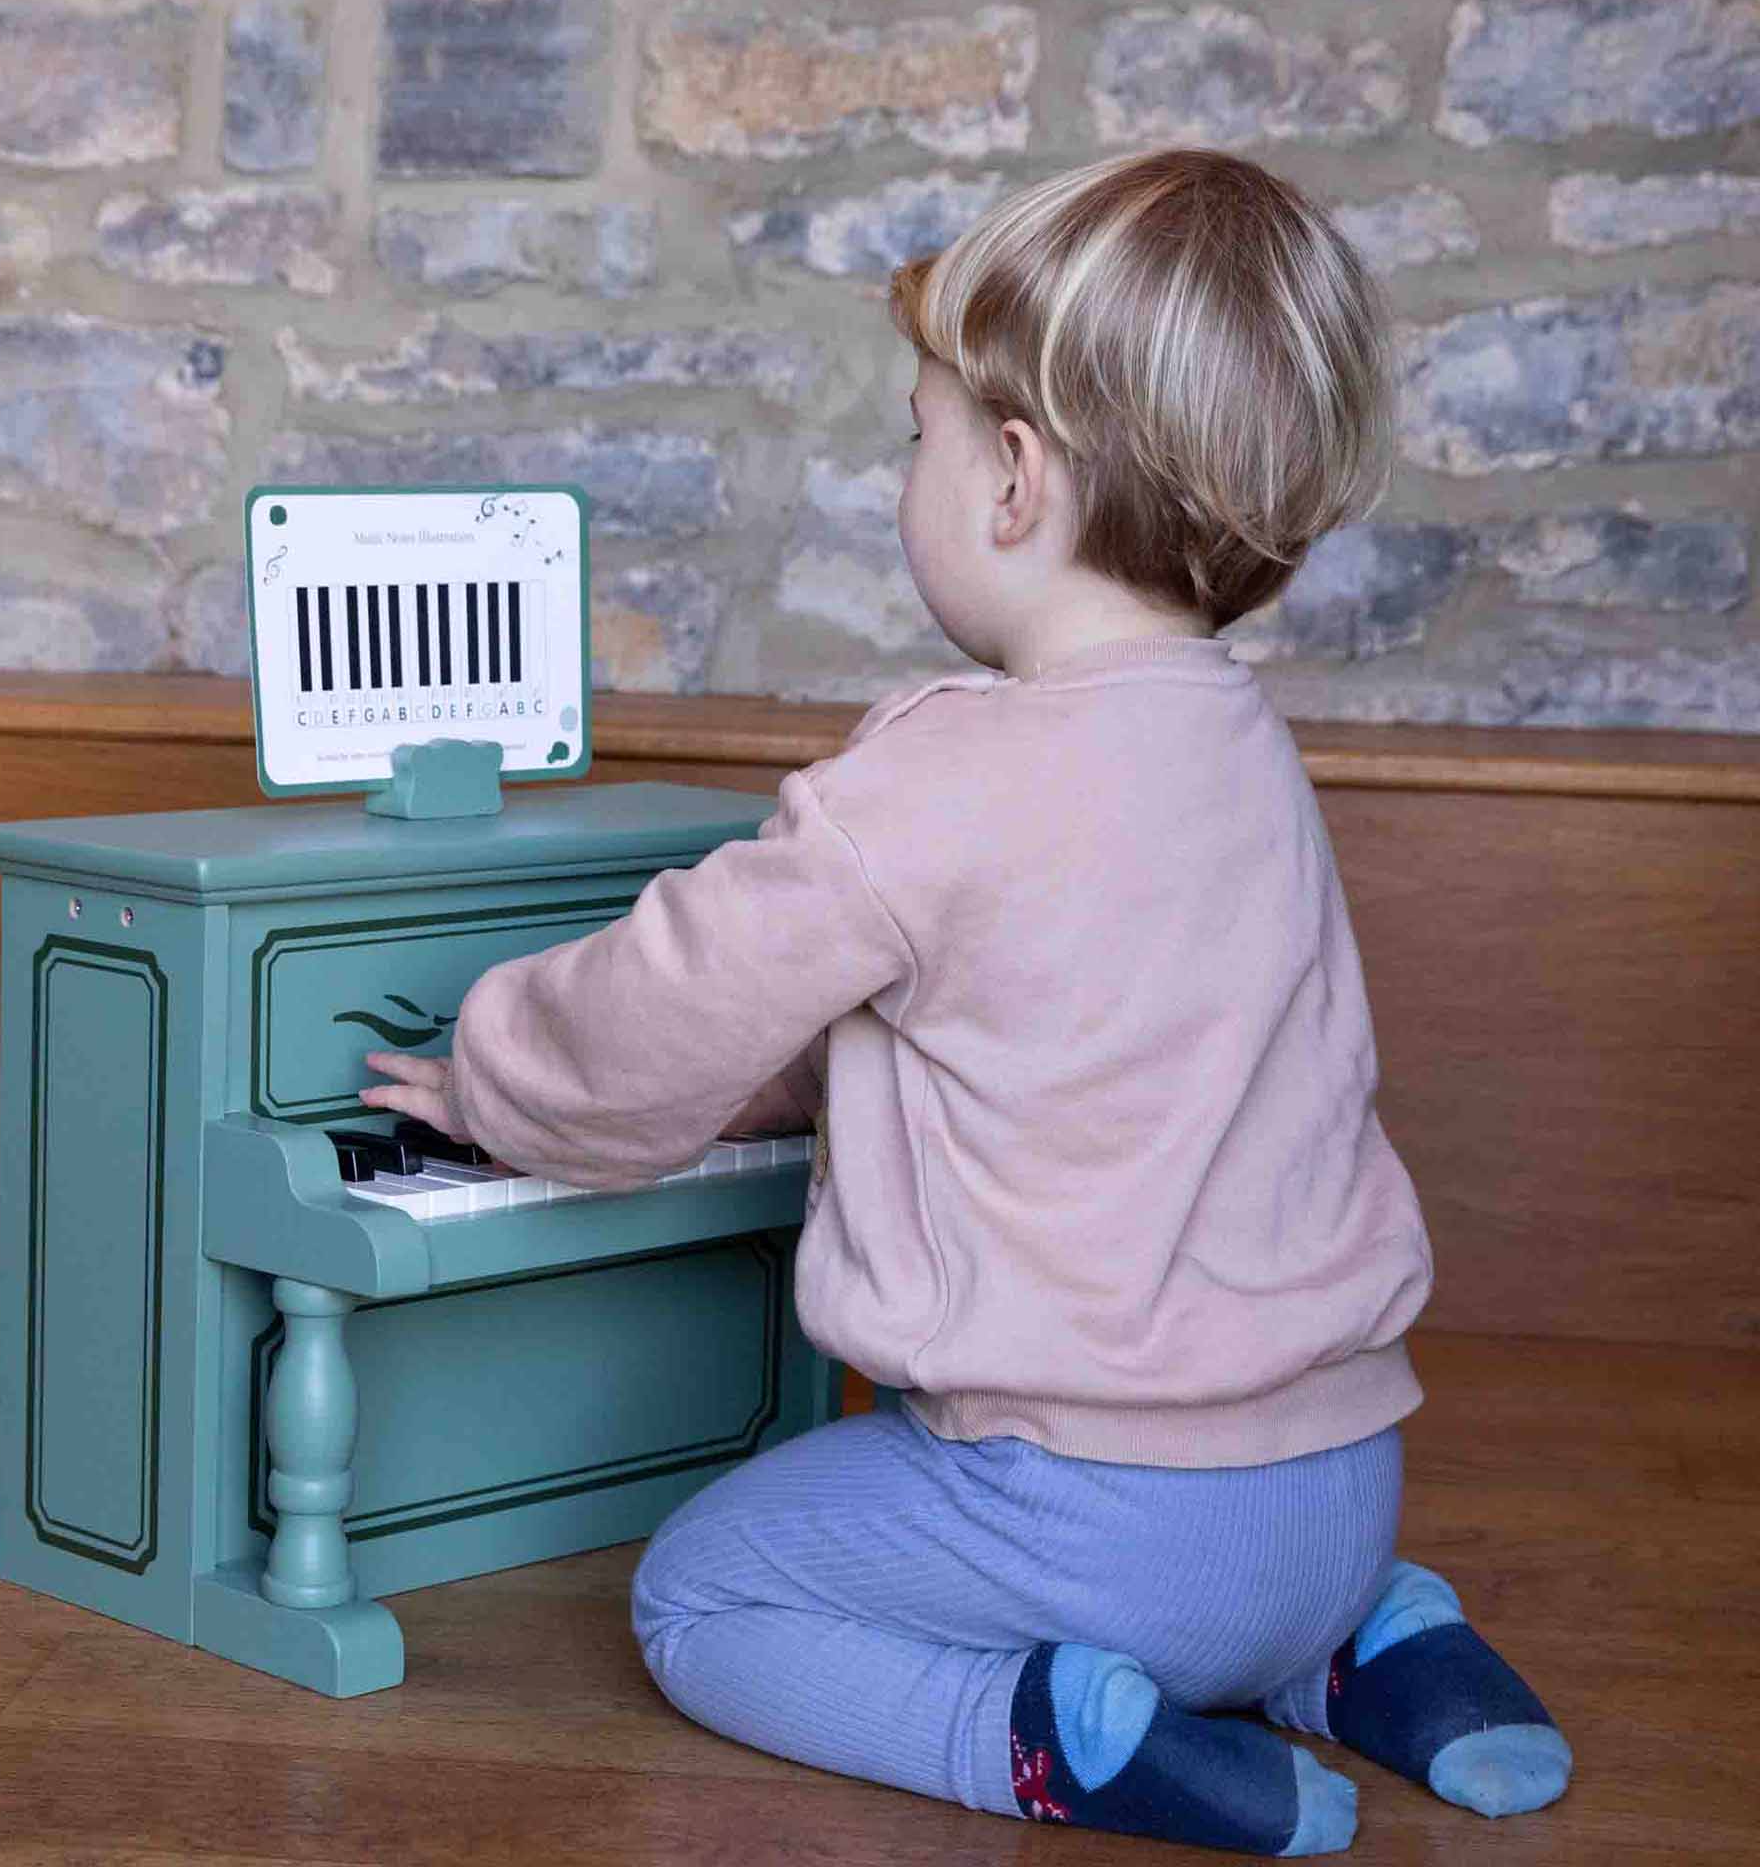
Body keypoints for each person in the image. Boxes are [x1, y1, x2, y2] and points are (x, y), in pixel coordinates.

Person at [359, 145, 1573, 1855]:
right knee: (1275, 1598)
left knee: (702, 1596)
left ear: (1013, 481)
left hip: (1099, 1516)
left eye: (911, 436)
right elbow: (1024, 1040)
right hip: (1339, 1492)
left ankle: (1045, 1744)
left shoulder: (931, 782)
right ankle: (1371, 1654)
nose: (897, 479)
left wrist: (496, 1080)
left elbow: (649, 1019)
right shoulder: (1242, 746)